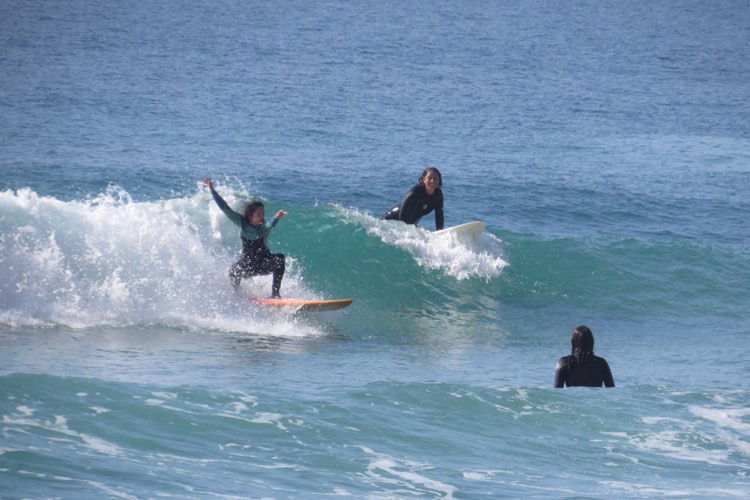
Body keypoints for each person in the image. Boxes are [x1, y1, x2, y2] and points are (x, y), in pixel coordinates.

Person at [203, 178, 288, 298]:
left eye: (263, 214)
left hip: (264, 263)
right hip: (248, 265)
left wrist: (277, 217)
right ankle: (236, 295)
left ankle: (275, 295)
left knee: (279, 258)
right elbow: (224, 208)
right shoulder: (242, 223)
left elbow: (269, 224)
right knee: (234, 270)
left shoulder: (263, 227)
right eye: (258, 214)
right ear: (250, 215)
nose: (261, 217)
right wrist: (211, 189)